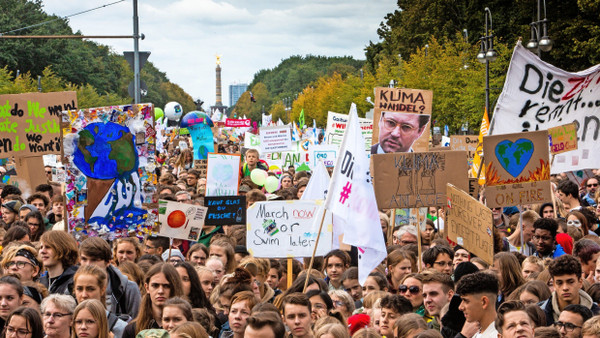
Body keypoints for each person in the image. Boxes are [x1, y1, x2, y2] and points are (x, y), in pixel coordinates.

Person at [79, 237, 141, 320]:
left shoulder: (128, 288)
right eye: (84, 259)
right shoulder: (71, 287)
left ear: (108, 262)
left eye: (94, 260)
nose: (88, 265)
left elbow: (135, 326)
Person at [122, 262, 183, 337]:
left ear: (174, 287)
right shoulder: (132, 329)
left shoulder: (187, 326)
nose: (160, 291)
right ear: (147, 287)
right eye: (155, 285)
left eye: (166, 286)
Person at [539, 255, 600, 326]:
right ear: (554, 285)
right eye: (559, 283)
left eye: (570, 282)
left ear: (580, 282)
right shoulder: (540, 314)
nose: (565, 288)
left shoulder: (596, 314)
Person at [73, 264, 127, 338]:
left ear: (102, 290)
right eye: (79, 289)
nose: (84, 295)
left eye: (90, 289)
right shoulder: (66, 322)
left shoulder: (119, 327)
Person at [456, 271, 500, 338]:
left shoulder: (498, 335)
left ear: (484, 302)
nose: (460, 307)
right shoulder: (478, 334)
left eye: (466, 301)